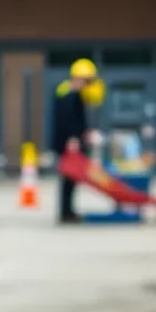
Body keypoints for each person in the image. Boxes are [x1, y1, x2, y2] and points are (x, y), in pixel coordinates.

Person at [51, 59, 97, 224]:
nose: (88, 84)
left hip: (69, 143)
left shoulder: (67, 93)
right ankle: (66, 213)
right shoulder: (69, 95)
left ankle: (68, 211)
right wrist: (73, 139)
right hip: (69, 144)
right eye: (87, 80)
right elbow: (68, 120)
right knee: (68, 180)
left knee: (70, 180)